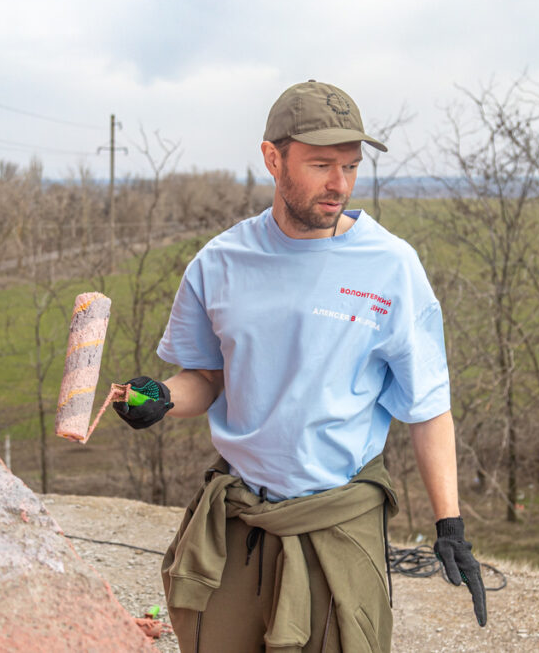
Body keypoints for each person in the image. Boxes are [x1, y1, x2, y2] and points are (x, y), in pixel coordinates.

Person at [113, 80, 486, 652]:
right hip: (239, 516)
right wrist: (160, 398)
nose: (339, 184)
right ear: (272, 158)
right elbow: (206, 379)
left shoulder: (391, 267)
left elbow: (428, 405)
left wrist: (450, 524)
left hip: (338, 515)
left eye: (352, 167)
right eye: (320, 165)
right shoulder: (221, 263)